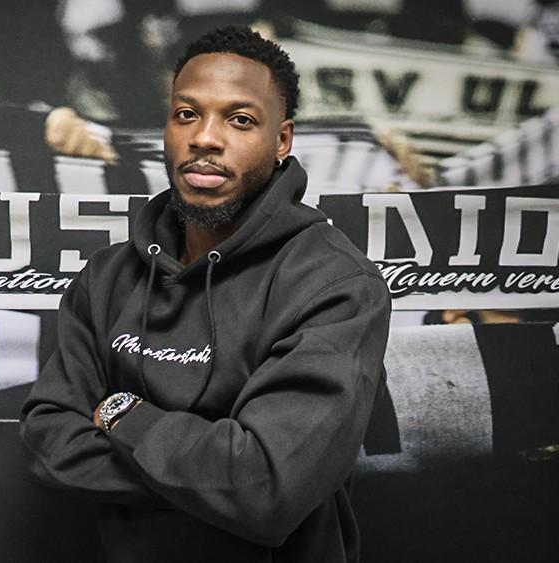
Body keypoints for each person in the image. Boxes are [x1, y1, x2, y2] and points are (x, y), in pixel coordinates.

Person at [20, 25, 391, 562]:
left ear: (282, 140)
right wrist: (216, 480)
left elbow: (266, 490)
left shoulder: (336, 285)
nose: (205, 138)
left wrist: (122, 413)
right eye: (186, 114)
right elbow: (49, 442)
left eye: (240, 120)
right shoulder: (108, 276)